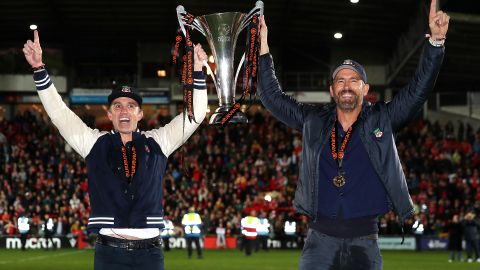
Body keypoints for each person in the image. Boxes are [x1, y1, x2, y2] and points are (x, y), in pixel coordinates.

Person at [256, 0, 449, 268]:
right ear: (332, 91)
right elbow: (271, 97)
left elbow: (418, 91)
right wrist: (262, 46)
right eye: (340, 80)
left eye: (353, 80)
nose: (347, 85)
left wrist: (435, 43)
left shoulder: (382, 118)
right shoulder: (313, 121)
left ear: (365, 88)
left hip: (365, 241)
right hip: (318, 242)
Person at [23, 30, 208, 270]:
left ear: (140, 114)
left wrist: (197, 70)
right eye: (118, 106)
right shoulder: (93, 142)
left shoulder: (158, 141)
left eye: (131, 106)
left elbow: (196, 116)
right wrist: (39, 69)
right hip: (109, 254)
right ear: (109, 114)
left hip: (150, 255)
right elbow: (59, 113)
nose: (124, 111)